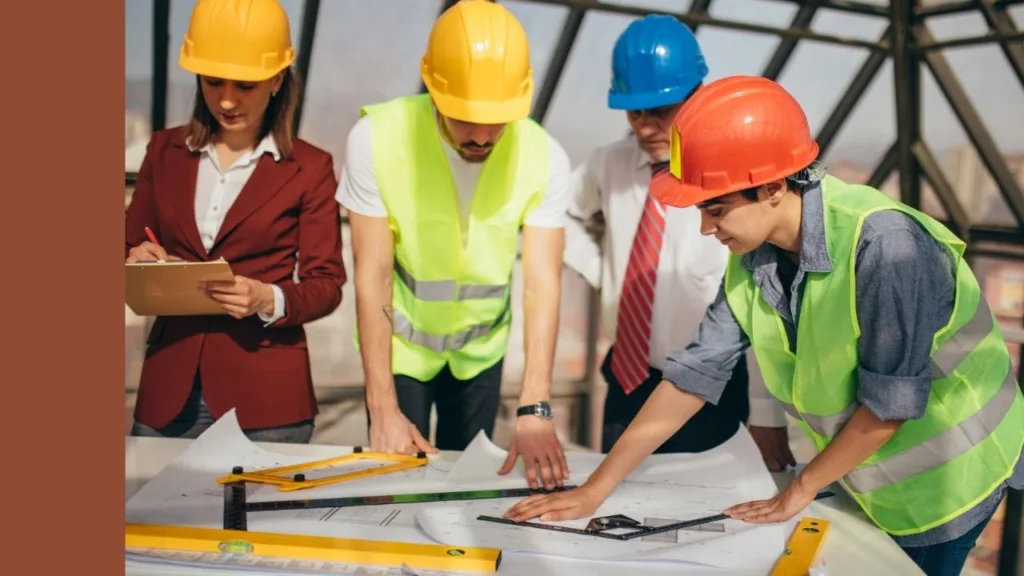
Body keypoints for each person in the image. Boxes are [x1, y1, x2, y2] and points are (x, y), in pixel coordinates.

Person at [504, 76, 1024, 576]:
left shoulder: (888, 247)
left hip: (949, 487)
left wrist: (796, 492)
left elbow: (889, 407)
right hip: (865, 480)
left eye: (716, 208)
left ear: (773, 186)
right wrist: (594, 490)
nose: (706, 228)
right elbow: (694, 373)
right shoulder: (754, 258)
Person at [337, 0, 571, 490]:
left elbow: (543, 284)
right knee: (396, 483)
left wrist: (535, 404)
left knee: (468, 488)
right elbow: (372, 274)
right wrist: (381, 406)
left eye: (498, 119)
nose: (482, 135)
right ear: (432, 84)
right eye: (465, 117)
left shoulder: (545, 155)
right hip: (400, 352)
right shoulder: (375, 139)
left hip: (480, 354)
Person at [563, 14, 792, 463]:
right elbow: (559, 213)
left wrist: (767, 416)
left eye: (660, 111)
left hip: (713, 388)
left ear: (694, 99)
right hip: (627, 379)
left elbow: (763, 301)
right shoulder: (607, 164)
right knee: (615, 503)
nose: (645, 126)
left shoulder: (731, 176)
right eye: (634, 112)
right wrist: (605, 274)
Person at [125, 0, 345, 443]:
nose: (226, 99)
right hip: (169, 389)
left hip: (268, 399)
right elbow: (128, 242)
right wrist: (137, 256)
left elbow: (327, 285)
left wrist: (267, 298)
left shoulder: (311, 167)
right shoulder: (163, 151)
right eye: (212, 81)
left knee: (255, 517)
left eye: (245, 84)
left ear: (278, 79)